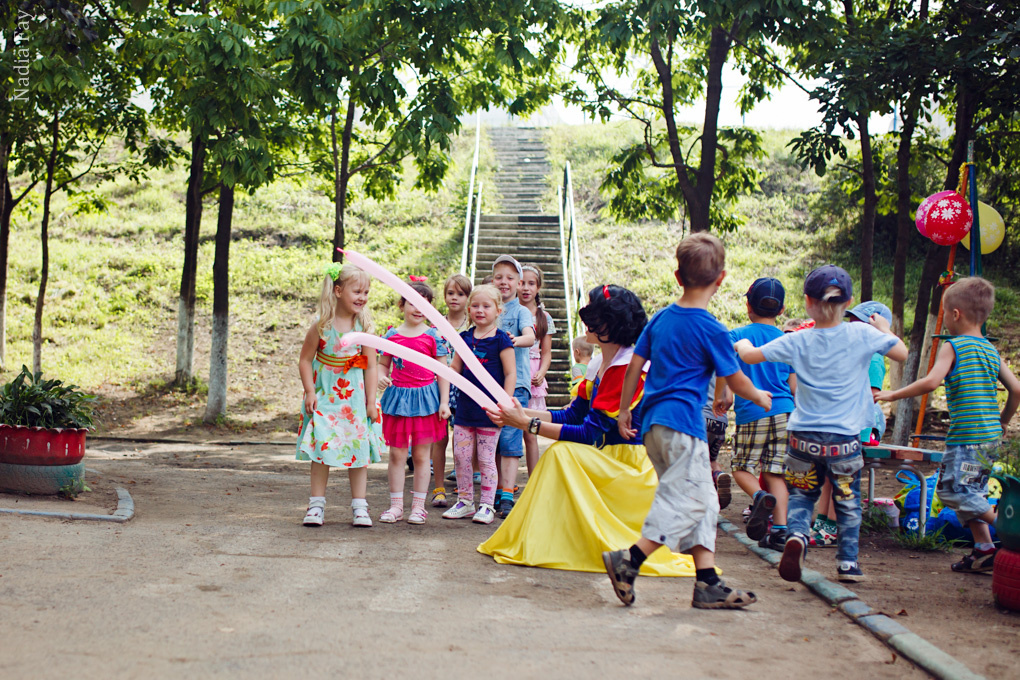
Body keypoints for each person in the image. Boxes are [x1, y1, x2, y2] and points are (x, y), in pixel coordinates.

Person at [479, 285, 694, 578]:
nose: (585, 319)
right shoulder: (599, 362)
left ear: (608, 322)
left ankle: (554, 542)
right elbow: (572, 415)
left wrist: (524, 423)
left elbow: (588, 433)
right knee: (561, 452)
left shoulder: (626, 367)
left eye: (592, 312)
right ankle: (552, 540)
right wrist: (520, 412)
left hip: (630, 466)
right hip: (609, 457)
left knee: (562, 453)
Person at [605, 233, 772, 610]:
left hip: (653, 427)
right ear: (721, 278)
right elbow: (736, 378)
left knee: (704, 500)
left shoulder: (662, 318)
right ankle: (629, 561)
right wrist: (759, 396)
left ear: (678, 277)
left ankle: (707, 582)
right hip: (684, 427)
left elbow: (635, 364)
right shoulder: (711, 327)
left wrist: (624, 409)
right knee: (687, 499)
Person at [736, 264, 907, 583]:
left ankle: (797, 537)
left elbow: (750, 356)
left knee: (802, 496)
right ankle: (847, 564)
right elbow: (901, 353)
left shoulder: (798, 340)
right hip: (844, 440)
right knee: (848, 501)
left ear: (807, 302)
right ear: (848, 301)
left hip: (803, 439)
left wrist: (742, 345)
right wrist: (883, 327)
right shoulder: (862, 334)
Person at [877, 277, 1020, 573]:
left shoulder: (953, 346)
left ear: (956, 314)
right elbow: (1017, 390)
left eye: (945, 316)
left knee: (951, 492)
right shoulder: (991, 350)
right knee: (973, 491)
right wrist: (1003, 421)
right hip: (988, 441)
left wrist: (893, 393)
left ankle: (1009, 524)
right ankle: (984, 549)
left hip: (967, 441)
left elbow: (931, 382)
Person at [296, 263, 385, 528]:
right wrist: (309, 391)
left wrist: (371, 402)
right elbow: (304, 360)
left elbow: (370, 366)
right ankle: (316, 506)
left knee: (357, 451)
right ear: (337, 291)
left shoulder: (365, 329)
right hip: (325, 398)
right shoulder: (322, 327)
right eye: (357, 291)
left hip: (354, 400)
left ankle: (360, 507)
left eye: (366, 292)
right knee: (321, 448)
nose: (363, 297)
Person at [726, 277, 797, 551]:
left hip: (753, 410)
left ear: (748, 305)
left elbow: (726, 371)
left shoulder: (736, 336)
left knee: (742, 468)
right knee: (776, 472)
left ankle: (759, 497)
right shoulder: (788, 341)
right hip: (785, 412)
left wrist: (726, 395)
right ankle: (780, 532)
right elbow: (793, 385)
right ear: (781, 311)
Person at [440, 285, 515, 524]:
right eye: (475, 306)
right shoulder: (463, 338)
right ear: (469, 309)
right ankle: (465, 502)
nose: (480, 310)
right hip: (464, 410)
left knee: (485, 459)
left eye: (486, 306)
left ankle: (486, 505)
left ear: (498, 310)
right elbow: (455, 367)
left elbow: (510, 373)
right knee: (461, 457)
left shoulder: (501, 340)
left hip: (490, 413)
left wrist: (505, 404)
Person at [377, 280, 449, 524]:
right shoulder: (391, 335)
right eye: (413, 303)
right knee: (396, 455)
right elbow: (382, 365)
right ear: (402, 304)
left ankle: (418, 507)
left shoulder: (433, 336)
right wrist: (380, 378)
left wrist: (444, 402)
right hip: (398, 399)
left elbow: (443, 372)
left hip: (426, 400)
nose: (418, 309)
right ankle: (396, 506)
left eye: (425, 305)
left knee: (421, 456)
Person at [491, 255, 536, 518]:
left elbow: (530, 336)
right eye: (499, 277)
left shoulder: (521, 312)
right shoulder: (488, 308)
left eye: (510, 278)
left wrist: (514, 340)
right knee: (492, 440)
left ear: (519, 283)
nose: (504, 282)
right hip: (490, 384)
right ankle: (496, 489)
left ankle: (507, 492)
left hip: (516, 385)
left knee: (509, 440)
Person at [430, 274, 472, 508]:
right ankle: (438, 487)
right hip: (438, 387)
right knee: (439, 437)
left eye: (461, 294)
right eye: (450, 293)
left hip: (464, 388)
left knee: (461, 439)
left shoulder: (473, 325)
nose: (454, 298)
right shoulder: (434, 325)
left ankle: (462, 486)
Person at [520, 263, 555, 474]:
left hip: (533, 373)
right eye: (522, 282)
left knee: (530, 431)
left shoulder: (544, 318)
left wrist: (542, 372)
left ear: (538, 287)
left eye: (531, 283)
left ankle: (533, 477)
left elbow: (546, 352)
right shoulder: (508, 312)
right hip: (513, 370)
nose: (526, 288)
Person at [703, 376, 731, 510]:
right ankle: (718, 474)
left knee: (698, 461)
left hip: (700, 418)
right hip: (720, 421)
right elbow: (730, 399)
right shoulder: (721, 364)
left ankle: (704, 502)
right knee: (712, 459)